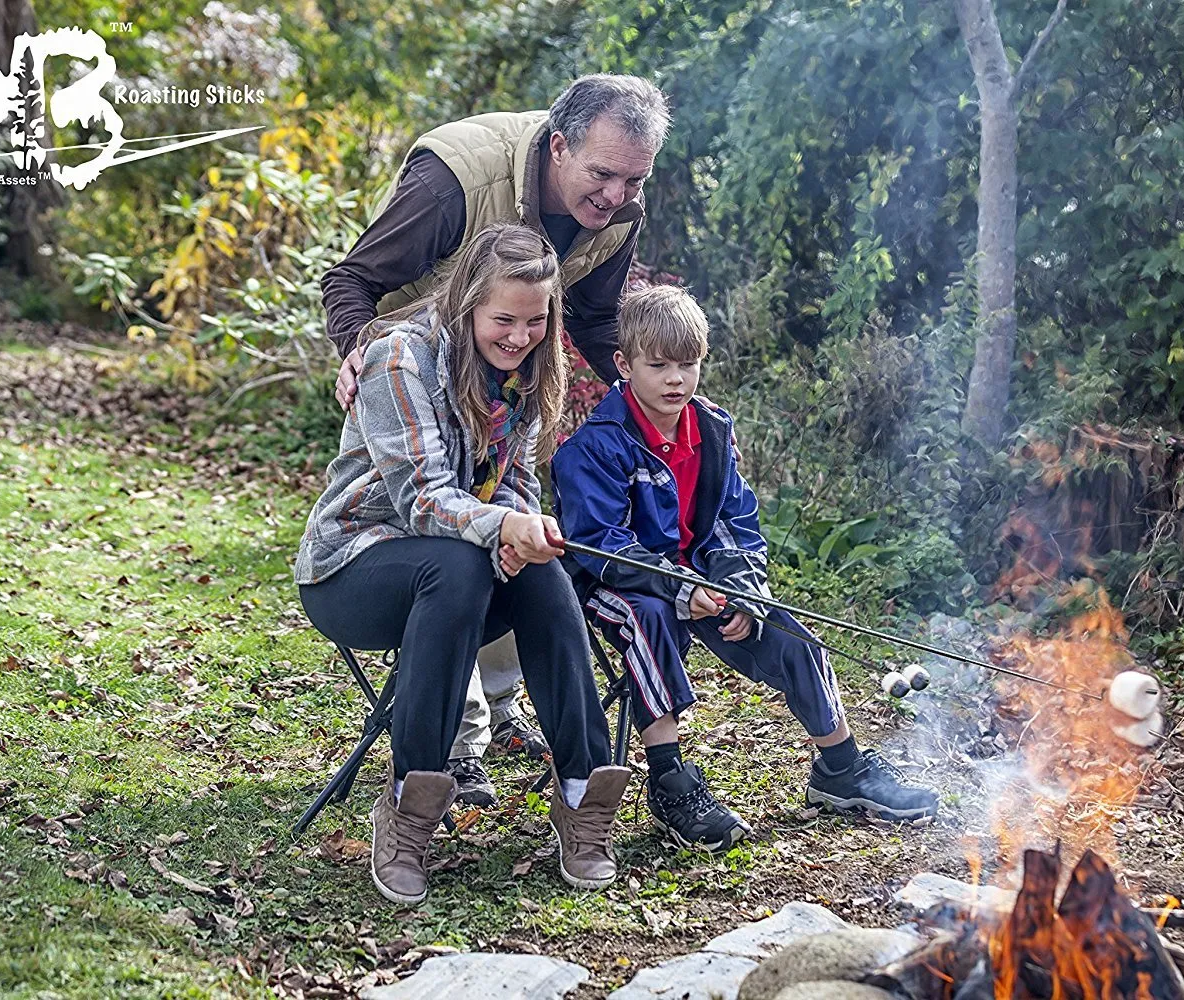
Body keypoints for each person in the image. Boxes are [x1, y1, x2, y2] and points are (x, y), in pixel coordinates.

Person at [320, 74, 671, 803]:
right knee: (451, 547)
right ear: (558, 144)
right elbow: (352, 279)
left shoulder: (616, 212)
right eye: (602, 175)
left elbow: (599, 322)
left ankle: (556, 766)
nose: (617, 196)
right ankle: (442, 757)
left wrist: (646, 407)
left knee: (519, 545)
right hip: (409, 379)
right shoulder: (453, 183)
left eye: (633, 180)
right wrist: (361, 351)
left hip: (495, 392)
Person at [296, 224, 630, 905]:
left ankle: (581, 792)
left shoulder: (530, 372)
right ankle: (407, 808)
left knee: (538, 569)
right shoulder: (400, 357)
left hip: (460, 575)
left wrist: (522, 533)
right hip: (353, 569)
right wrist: (503, 527)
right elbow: (421, 503)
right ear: (467, 302)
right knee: (455, 562)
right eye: (503, 319)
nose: (519, 336)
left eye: (536, 321)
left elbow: (514, 490)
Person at [550, 286, 940, 853]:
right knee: (650, 615)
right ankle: (669, 778)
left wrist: (739, 591)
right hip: (610, 584)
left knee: (786, 631)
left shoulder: (711, 429)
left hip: (702, 578)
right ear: (623, 364)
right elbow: (600, 545)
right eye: (657, 365)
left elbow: (736, 523)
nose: (675, 379)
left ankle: (840, 765)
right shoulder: (592, 448)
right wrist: (684, 590)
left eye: (688, 364)